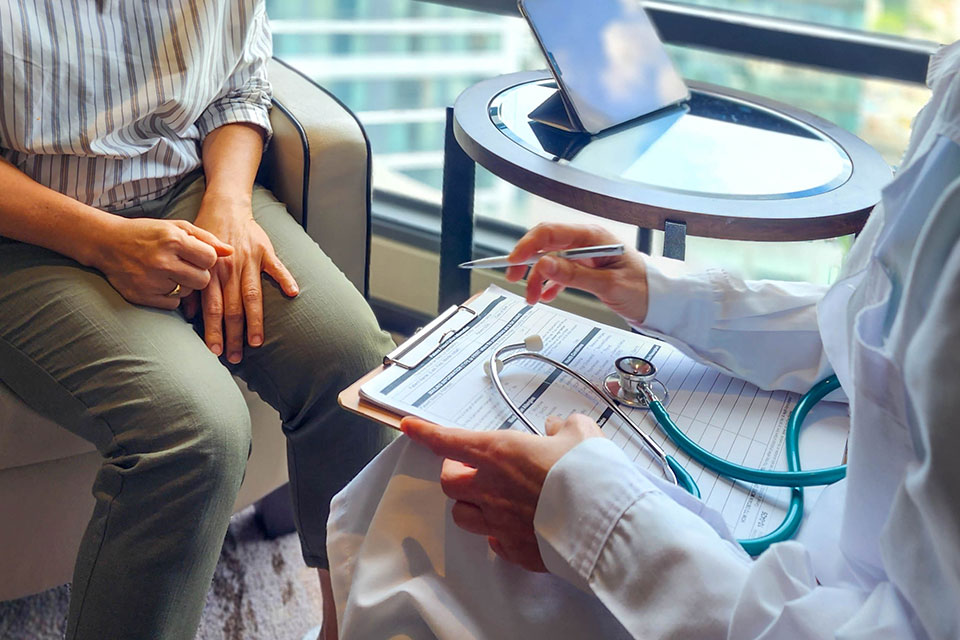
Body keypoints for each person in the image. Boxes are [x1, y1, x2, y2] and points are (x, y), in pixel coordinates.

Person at [326, 40, 960, 639]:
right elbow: (877, 328)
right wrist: (663, 291)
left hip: (786, 600)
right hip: (826, 533)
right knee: (449, 466)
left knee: (431, 492)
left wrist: (590, 517)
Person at [0, 2, 392, 639]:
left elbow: (238, 83)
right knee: (195, 432)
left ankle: (345, 628)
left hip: (189, 188)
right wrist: (104, 242)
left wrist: (229, 201)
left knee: (349, 362)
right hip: (29, 233)